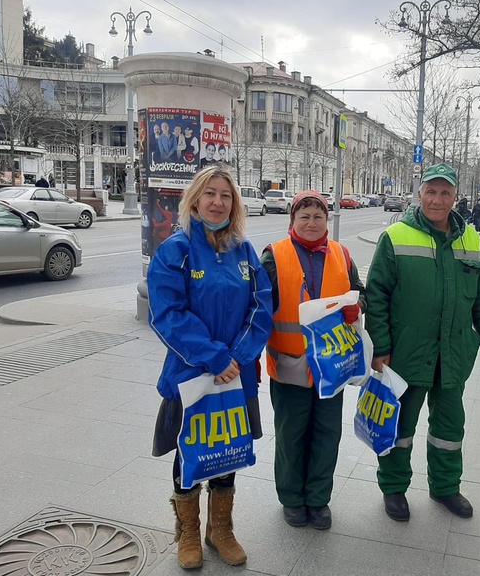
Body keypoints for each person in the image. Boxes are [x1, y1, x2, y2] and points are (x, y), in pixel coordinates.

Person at [147, 166, 273, 569]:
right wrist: (215, 357)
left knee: (229, 449)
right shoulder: (175, 249)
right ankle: (187, 532)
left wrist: (236, 357)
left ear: (234, 204)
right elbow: (168, 313)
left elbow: (262, 306)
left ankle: (221, 530)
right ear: (196, 199)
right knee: (190, 452)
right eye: (210, 193)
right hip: (191, 374)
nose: (218, 201)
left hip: (236, 375)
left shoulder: (245, 251)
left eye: (226, 195)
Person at [365, 163, 480, 522]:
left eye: (445, 193)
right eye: (431, 192)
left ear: (456, 196)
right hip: (407, 353)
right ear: (420, 194)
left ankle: (445, 488)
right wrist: (381, 347)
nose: (437, 200)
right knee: (400, 428)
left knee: (449, 428)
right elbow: (376, 297)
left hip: (452, 354)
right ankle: (393, 489)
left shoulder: (471, 240)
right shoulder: (395, 237)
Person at [260, 190, 367, 530]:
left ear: (326, 220)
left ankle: (318, 500)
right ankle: (292, 499)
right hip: (290, 365)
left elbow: (359, 291)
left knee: (326, 435)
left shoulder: (342, 254)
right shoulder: (273, 256)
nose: (311, 222)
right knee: (291, 436)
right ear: (292, 220)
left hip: (332, 369)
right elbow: (258, 309)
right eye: (303, 216)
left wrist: (356, 305)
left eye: (317, 216)